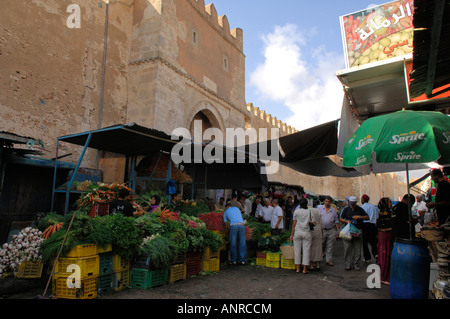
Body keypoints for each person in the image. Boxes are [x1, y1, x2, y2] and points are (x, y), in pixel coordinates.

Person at [339, 195, 369, 271]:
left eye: (353, 203)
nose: (352, 205)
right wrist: (346, 221)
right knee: (348, 247)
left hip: (357, 230)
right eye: (351, 203)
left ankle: (356, 263)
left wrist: (359, 217)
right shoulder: (346, 210)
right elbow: (341, 218)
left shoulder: (360, 209)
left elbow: (367, 217)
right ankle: (348, 264)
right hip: (348, 231)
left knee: (357, 248)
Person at [290, 198, 315, 274]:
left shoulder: (296, 211)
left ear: (300, 204)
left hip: (297, 232)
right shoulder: (309, 212)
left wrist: (291, 234)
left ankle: (297, 268)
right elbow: (314, 223)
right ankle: (304, 269)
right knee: (306, 251)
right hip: (306, 232)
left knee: (297, 250)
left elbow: (294, 224)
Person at [318, 196, 340, 266]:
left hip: (331, 229)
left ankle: (328, 260)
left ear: (331, 202)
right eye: (326, 201)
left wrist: (338, 231)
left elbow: (336, 221)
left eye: (328, 201)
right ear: (324, 201)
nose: (327, 203)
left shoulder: (333, 210)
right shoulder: (320, 208)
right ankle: (319, 257)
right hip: (322, 230)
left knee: (330, 246)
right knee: (321, 244)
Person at [377, 197, 393, 285]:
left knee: (383, 254)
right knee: (386, 254)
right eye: (389, 202)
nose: (391, 204)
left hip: (382, 236)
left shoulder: (381, 213)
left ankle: (383, 275)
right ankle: (384, 276)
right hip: (386, 236)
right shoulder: (387, 215)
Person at [360, 194, 379, 263]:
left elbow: (361, 217)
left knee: (365, 242)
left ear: (362, 200)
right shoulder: (373, 207)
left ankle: (367, 258)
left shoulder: (362, 207)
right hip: (373, 225)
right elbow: (376, 217)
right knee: (373, 242)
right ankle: (376, 254)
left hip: (365, 225)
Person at [309, 205, 323, 271]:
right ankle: (318, 264)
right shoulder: (317, 211)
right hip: (318, 230)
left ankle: (311, 264)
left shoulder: (307, 211)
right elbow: (321, 222)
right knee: (318, 248)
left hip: (310, 231)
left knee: (310, 248)